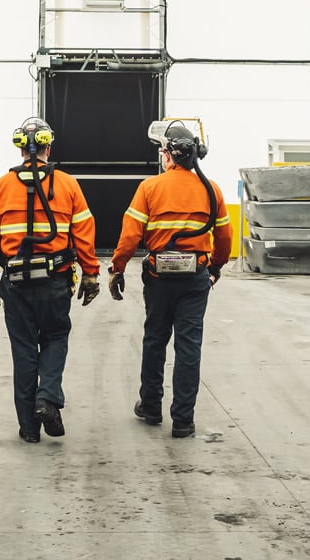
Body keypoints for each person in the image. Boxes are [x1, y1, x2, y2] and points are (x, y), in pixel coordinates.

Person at [0, 116, 102, 443]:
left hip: (15, 282)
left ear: (20, 149)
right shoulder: (67, 184)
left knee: (23, 350)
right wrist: (90, 274)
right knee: (55, 337)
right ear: (49, 146)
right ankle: (47, 398)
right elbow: (84, 234)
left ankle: (29, 428)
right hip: (56, 279)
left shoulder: (2, 186)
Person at [108, 118, 231, 438]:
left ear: (168, 156)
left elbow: (130, 234)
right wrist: (215, 267)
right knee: (189, 346)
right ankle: (183, 419)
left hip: (159, 277)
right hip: (196, 278)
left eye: (162, 152)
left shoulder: (150, 188)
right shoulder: (211, 189)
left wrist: (117, 267)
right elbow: (225, 236)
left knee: (155, 339)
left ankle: (150, 406)